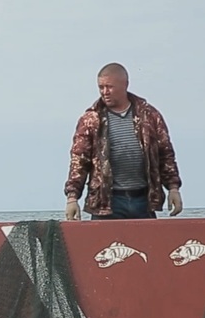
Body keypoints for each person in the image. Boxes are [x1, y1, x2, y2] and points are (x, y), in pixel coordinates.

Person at [64, 63, 183, 220]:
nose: (105, 92)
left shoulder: (149, 115)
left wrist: (173, 188)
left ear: (125, 84)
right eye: (101, 87)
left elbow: (165, 154)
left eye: (109, 87)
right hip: (107, 202)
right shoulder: (91, 120)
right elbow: (79, 160)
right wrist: (72, 198)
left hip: (143, 200)